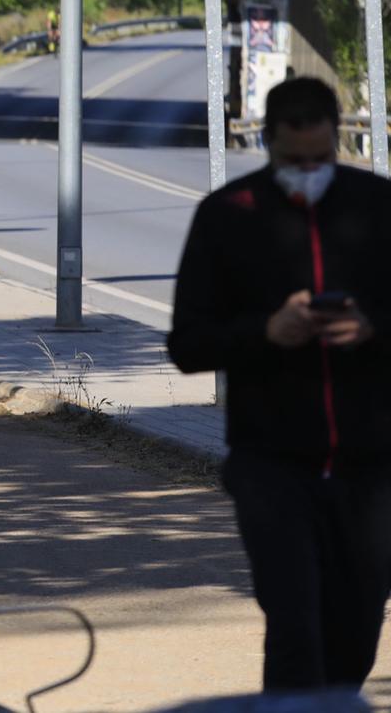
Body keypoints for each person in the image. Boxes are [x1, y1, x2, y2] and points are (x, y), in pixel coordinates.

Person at [169, 77, 391, 692]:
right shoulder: (227, 215)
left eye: (321, 160)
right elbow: (187, 345)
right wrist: (266, 330)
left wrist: (372, 328)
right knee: (295, 628)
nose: (308, 173)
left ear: (338, 139)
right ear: (268, 143)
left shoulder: (378, 206)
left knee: (355, 631)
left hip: (372, 468)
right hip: (271, 464)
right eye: (294, 162)